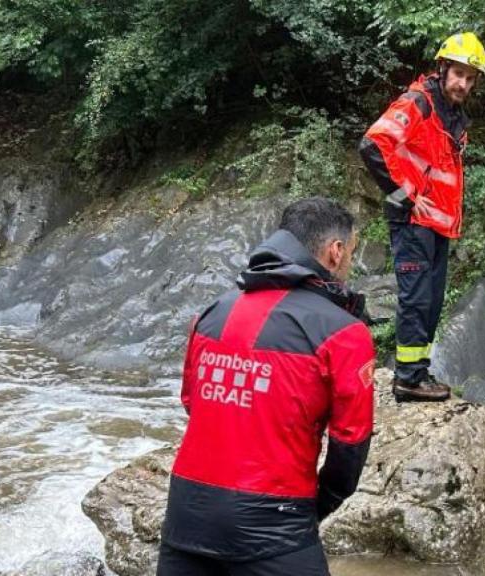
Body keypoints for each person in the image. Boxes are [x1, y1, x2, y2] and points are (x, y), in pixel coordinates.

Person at [157, 197, 375, 576]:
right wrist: (317, 506)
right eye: (352, 252)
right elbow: (350, 444)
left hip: (186, 513)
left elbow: (194, 402)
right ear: (335, 252)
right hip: (274, 524)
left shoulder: (211, 313)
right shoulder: (344, 333)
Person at [359, 32, 485, 402]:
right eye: (458, 73)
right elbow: (373, 144)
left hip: (437, 223)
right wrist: (401, 195)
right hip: (414, 221)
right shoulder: (418, 103)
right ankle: (408, 380)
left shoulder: (453, 115)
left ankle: (418, 372)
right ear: (443, 68)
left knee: (430, 300)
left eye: (470, 77)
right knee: (416, 300)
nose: (463, 82)